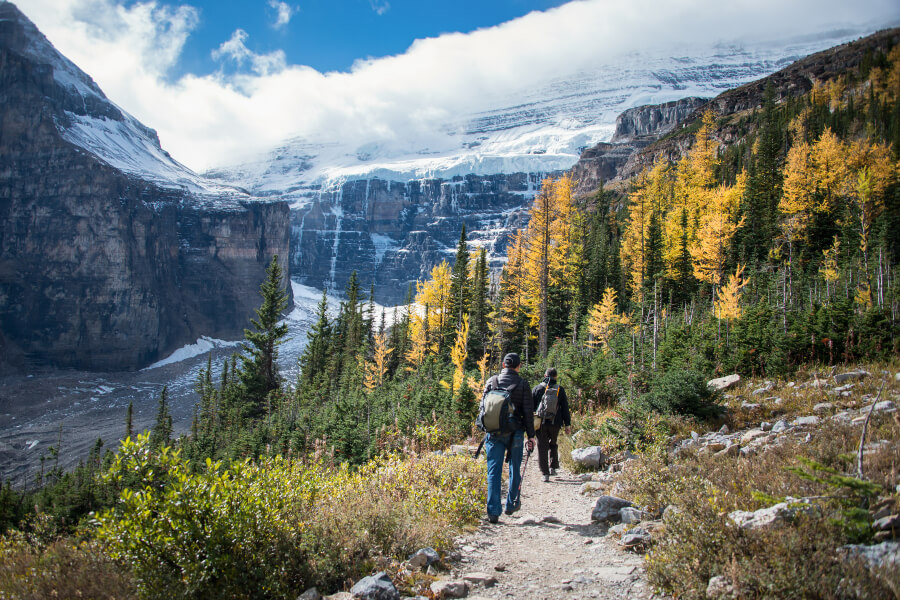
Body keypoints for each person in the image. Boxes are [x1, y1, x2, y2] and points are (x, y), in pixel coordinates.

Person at [482, 352, 535, 523]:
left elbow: (483, 406)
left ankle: (493, 511)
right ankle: (512, 503)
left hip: (493, 432)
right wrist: (532, 436)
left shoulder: (492, 381)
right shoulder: (522, 384)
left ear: (504, 365)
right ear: (518, 366)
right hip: (516, 432)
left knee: (494, 471)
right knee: (514, 467)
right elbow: (528, 412)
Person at [532, 367, 570, 482]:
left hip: (540, 423)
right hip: (556, 422)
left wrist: (529, 424)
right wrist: (567, 424)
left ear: (545, 375)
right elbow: (565, 408)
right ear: (556, 376)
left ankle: (545, 473)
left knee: (542, 446)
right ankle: (553, 467)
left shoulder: (537, 388)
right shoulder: (560, 390)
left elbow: (531, 407)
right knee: (553, 443)